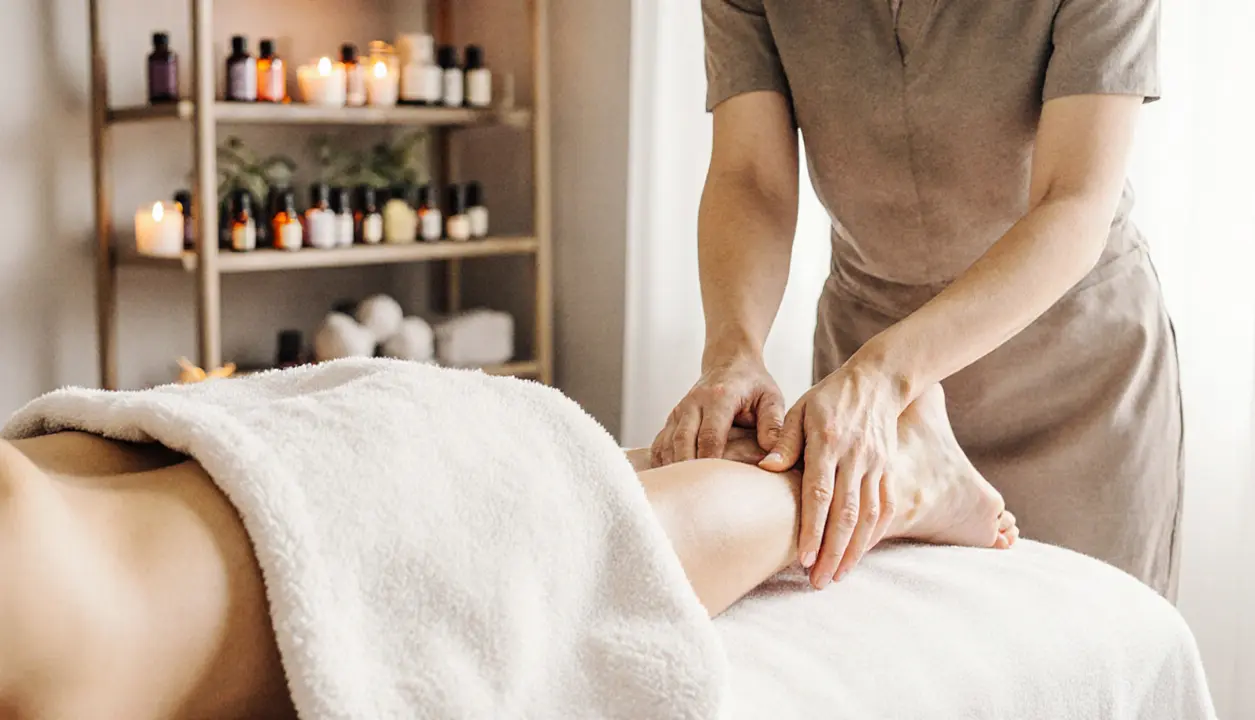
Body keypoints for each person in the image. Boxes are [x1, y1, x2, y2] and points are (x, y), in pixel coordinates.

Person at [0, 383, 1014, 719]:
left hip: (264, 490)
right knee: (558, 482)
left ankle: (905, 481)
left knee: (595, 536)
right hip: (222, 464)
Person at [652, 0, 1181, 597]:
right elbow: (749, 175)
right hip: (869, 387)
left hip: (1072, 387)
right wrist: (733, 350)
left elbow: (1075, 202)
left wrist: (887, 375)